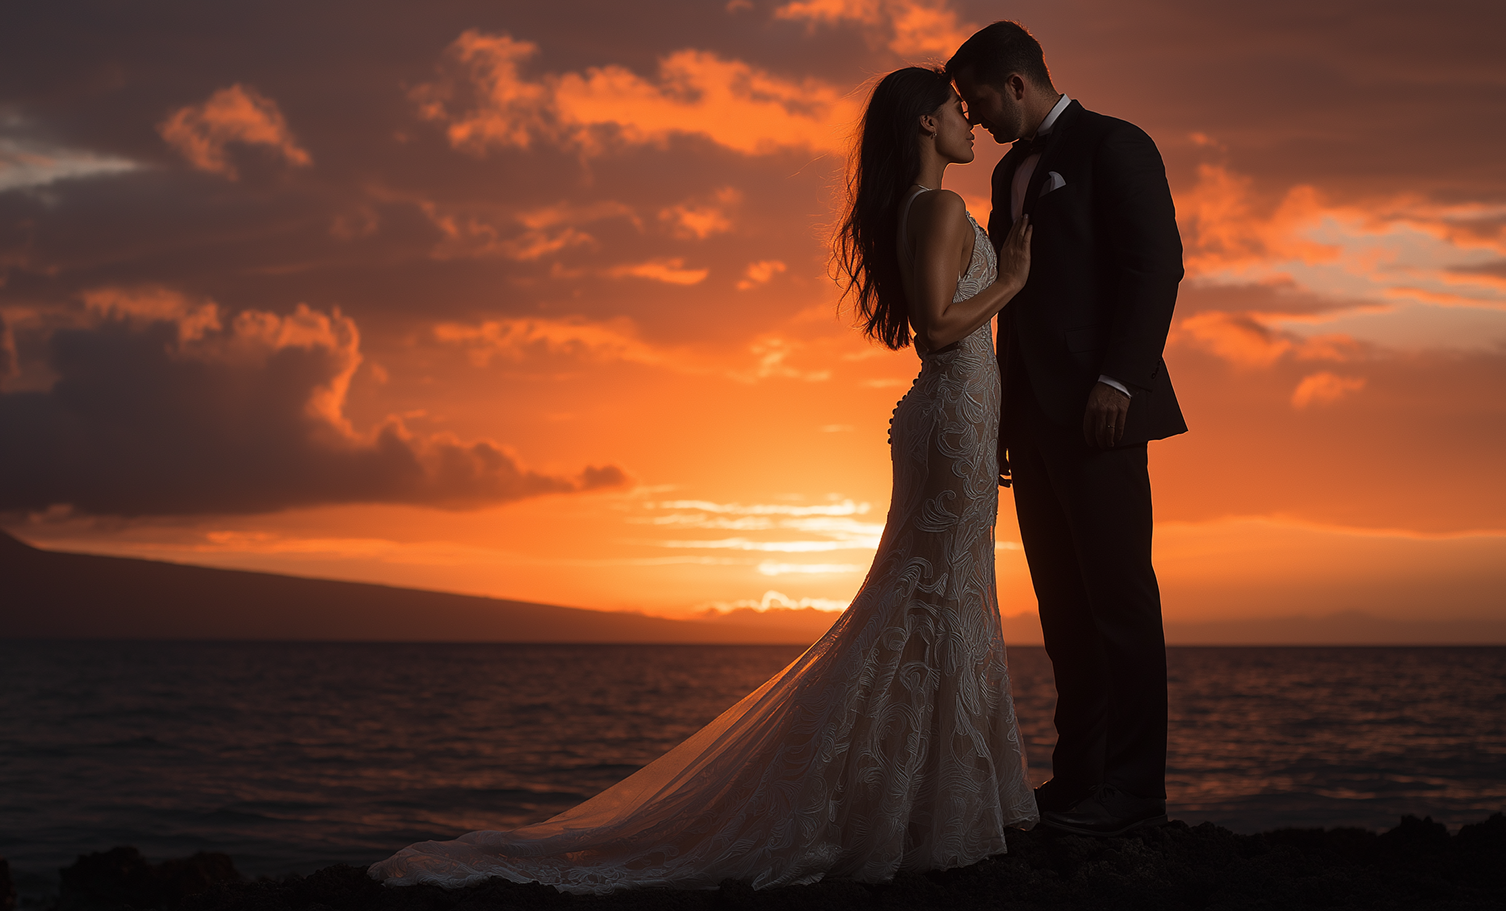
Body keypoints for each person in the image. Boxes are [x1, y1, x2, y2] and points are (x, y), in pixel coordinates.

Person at [368, 67, 1038, 893]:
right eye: (955, 111)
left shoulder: (922, 209)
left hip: (959, 420)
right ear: (925, 125)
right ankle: (914, 805)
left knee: (937, 595)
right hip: (950, 413)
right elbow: (936, 330)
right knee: (934, 596)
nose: (970, 122)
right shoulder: (936, 209)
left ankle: (914, 798)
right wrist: (1010, 281)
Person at [946, 21, 1187, 837]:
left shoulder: (1116, 145)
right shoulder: (1008, 170)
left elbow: (1155, 267)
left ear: (1016, 83)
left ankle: (1137, 791)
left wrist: (1120, 379)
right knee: (1063, 610)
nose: (972, 118)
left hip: (1100, 411)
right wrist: (1002, 418)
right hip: (1031, 420)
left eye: (978, 99)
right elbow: (1017, 304)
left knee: (1120, 600)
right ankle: (1081, 778)